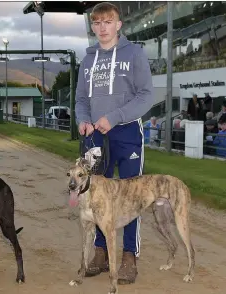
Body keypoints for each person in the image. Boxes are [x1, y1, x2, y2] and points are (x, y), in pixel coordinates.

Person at [74, 2, 154, 285]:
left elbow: (146, 96)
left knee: (131, 197)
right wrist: (83, 119)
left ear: (119, 24)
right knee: (96, 197)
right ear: (93, 26)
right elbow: (81, 99)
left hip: (127, 132)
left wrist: (116, 116)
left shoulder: (134, 54)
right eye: (96, 23)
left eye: (107, 22)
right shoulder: (87, 60)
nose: (102, 27)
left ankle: (130, 255)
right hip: (95, 136)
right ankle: (100, 251)